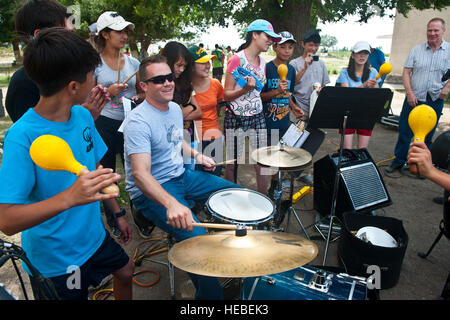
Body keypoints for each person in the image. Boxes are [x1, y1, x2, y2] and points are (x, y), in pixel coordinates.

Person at [0, 28, 134, 300]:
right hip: (59, 259)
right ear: (74, 86)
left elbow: (95, 168)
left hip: (94, 238)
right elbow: (7, 220)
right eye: (91, 74)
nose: (96, 79)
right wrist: (69, 198)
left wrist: (117, 212)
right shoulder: (22, 137)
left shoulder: (83, 117)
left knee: (126, 271)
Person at [122, 55, 240, 299]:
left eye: (169, 77)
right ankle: (210, 299)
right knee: (200, 243)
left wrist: (199, 156)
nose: (167, 83)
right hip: (153, 190)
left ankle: (238, 266)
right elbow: (140, 175)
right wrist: (171, 203)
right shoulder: (137, 121)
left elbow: (177, 141)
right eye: (158, 80)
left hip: (181, 175)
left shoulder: (175, 108)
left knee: (236, 196)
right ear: (144, 86)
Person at [5, 0, 109, 123]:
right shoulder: (23, 84)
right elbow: (37, 137)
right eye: (68, 33)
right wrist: (79, 118)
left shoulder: (67, 73)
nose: (74, 39)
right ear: (39, 35)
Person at [93, 11, 149, 238]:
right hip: (104, 123)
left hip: (130, 121)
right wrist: (107, 92)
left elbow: (140, 92)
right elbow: (87, 96)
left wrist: (139, 97)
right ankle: (114, 217)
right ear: (105, 34)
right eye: (119, 31)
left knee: (137, 170)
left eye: (126, 31)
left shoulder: (134, 62)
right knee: (106, 173)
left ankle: (142, 214)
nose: (124, 35)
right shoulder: (95, 64)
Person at [223, 19, 281, 194]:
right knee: (233, 163)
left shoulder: (263, 62)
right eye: (267, 36)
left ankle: (264, 201)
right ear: (254, 34)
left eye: (273, 38)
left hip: (257, 117)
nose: (271, 41)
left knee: (262, 162)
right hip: (236, 118)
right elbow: (226, 95)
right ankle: (230, 198)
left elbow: (257, 93)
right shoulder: (236, 59)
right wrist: (245, 89)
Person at [386, 18, 449, 174]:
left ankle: (421, 167)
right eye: (429, 30)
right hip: (413, 98)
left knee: (427, 136)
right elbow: (406, 72)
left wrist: (447, 88)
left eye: (436, 30)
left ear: (443, 31)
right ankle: (398, 162)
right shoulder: (416, 50)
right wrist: (409, 93)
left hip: (434, 99)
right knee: (405, 132)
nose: (432, 33)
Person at [260, 31, 304, 197]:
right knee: (268, 157)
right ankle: (264, 189)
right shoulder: (266, 69)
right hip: (267, 122)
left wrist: (293, 107)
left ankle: (275, 185)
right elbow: (259, 97)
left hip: (284, 121)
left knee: (281, 155)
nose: (287, 51)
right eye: (283, 47)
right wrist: (276, 90)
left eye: (290, 47)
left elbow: (288, 94)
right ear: (274, 47)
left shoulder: (291, 70)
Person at [336, 41, 380, 149]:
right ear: (352, 55)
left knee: (362, 151)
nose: (362, 56)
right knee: (346, 151)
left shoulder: (373, 72)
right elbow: (347, 94)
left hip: (366, 113)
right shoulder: (344, 72)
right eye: (359, 53)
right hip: (348, 113)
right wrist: (363, 86)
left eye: (365, 53)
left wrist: (374, 86)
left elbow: (378, 94)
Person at [189, 46, 225, 176]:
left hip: (214, 136)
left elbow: (218, 105)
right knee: (197, 177)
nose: (208, 66)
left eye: (208, 62)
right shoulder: (185, 87)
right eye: (202, 63)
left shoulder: (216, 84)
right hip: (193, 140)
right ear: (191, 66)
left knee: (215, 174)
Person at [161, 41, 202, 149]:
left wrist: (189, 109)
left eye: (184, 66)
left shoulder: (187, 84)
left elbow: (198, 112)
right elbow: (166, 118)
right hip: (169, 141)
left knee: (190, 165)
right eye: (179, 65)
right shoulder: (160, 86)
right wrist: (191, 107)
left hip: (189, 137)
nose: (182, 70)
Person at [290, 29, 330, 118]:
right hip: (299, 108)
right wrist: (305, 67)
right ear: (303, 44)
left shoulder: (321, 63)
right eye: (310, 45)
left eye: (316, 45)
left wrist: (321, 90)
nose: (313, 48)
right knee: (296, 132)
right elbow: (291, 85)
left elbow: (324, 85)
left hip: (316, 108)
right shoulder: (294, 63)